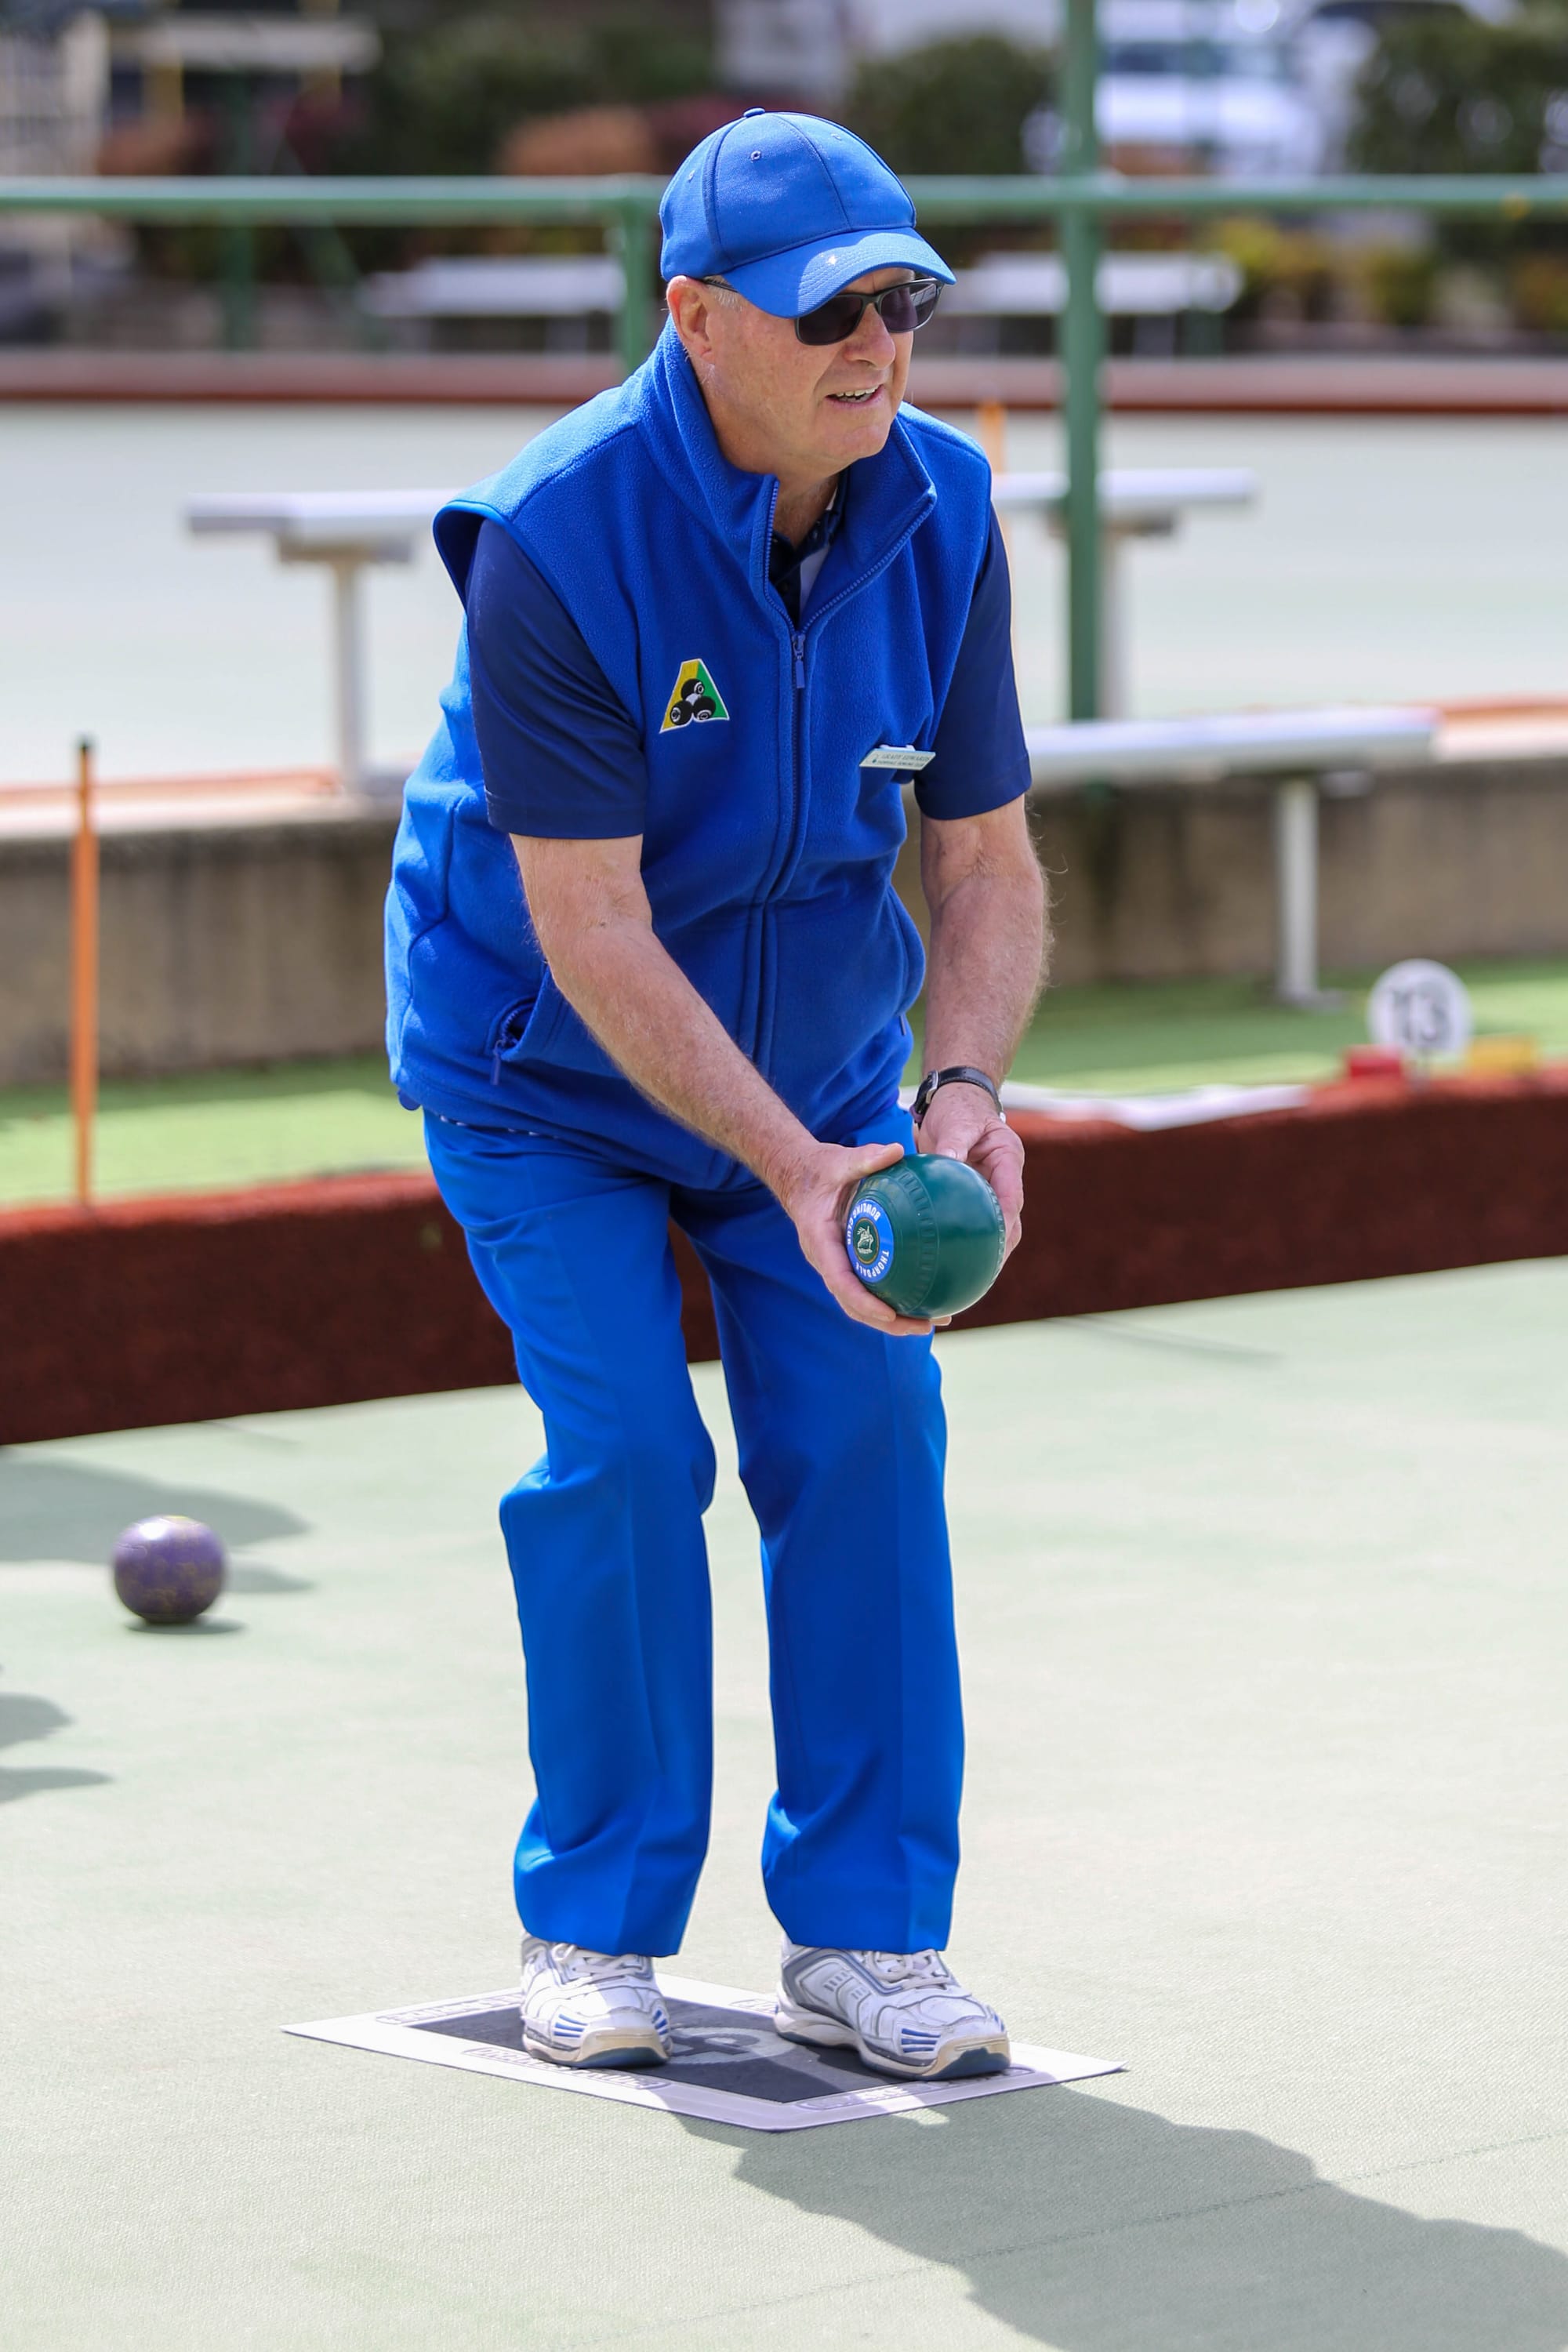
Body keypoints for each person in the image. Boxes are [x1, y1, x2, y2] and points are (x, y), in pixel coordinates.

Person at [385, 108, 1047, 2083]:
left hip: (831, 1062)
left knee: (864, 1426)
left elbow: (987, 861)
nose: (878, 338)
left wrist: (961, 1088)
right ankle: (590, 1924)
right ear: (694, 315)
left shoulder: (941, 500)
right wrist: (798, 1168)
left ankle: (866, 1935)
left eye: (905, 298)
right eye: (828, 305)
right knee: (623, 1461)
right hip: (545, 1077)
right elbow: (586, 933)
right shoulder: (556, 536)